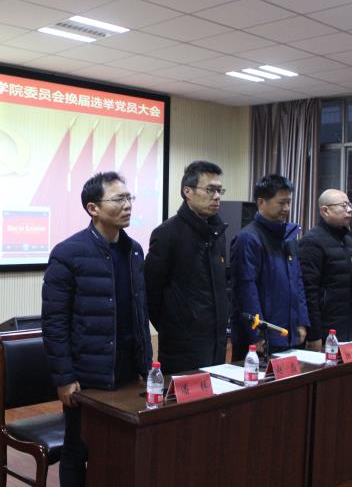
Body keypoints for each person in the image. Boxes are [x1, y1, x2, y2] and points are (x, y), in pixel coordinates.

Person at [41, 171, 153, 487]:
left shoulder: (134, 251)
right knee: (77, 449)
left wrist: (146, 364)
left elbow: (139, 312)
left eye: (129, 198)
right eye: (119, 199)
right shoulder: (68, 253)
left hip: (128, 371)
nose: (128, 205)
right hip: (87, 375)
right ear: (93, 208)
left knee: (119, 447)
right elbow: (54, 322)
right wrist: (64, 378)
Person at [145, 160, 230, 374]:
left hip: (217, 342)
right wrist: (175, 326)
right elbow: (151, 291)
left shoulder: (218, 233)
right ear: (187, 191)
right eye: (210, 190)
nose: (217, 196)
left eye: (219, 190)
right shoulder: (167, 234)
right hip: (182, 347)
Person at [229, 174, 309, 360]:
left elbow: (297, 283)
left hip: (289, 333)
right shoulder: (248, 239)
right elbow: (246, 290)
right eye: (281, 203)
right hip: (261, 338)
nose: (286, 208)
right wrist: (256, 334)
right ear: (261, 202)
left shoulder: (288, 237)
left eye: (288, 202)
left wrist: (301, 321)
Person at [298, 189, 352, 350]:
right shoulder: (312, 241)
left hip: (346, 327)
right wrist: (314, 334)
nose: (349, 210)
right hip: (325, 330)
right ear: (325, 210)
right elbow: (309, 291)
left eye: (349, 205)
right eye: (343, 205)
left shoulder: (348, 240)